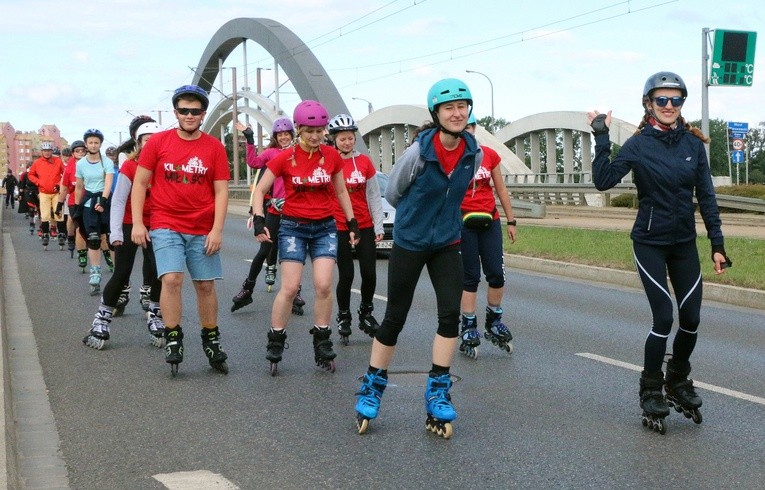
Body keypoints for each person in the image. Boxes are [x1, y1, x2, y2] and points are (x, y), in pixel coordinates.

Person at [588, 71, 731, 434]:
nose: (669, 106)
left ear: (681, 104)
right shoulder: (638, 144)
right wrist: (601, 136)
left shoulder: (693, 145)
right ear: (649, 104)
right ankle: (651, 388)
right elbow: (603, 180)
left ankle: (677, 379)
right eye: (662, 100)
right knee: (664, 318)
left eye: (676, 100)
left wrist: (717, 245)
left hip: (683, 243)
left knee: (693, 317)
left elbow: (708, 198)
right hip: (649, 242)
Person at [354, 78, 481, 439]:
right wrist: (417, 220)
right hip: (410, 241)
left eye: (462, 107)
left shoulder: (475, 152)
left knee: (450, 315)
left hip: (447, 241)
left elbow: (462, 193)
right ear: (436, 114)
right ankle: (372, 385)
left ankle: (438, 391)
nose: (457, 114)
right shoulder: (417, 154)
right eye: (449, 108)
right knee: (395, 315)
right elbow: (393, 192)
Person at [252, 100, 359, 375]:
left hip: (325, 227)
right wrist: (259, 220)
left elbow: (342, 192)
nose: (315, 136)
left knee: (323, 285)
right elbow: (259, 190)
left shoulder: (332, 156)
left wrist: (352, 222)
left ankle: (322, 340)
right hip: (293, 227)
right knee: (290, 288)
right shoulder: (284, 158)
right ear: (298, 129)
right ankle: (276, 338)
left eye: (319, 130)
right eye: (309, 130)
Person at [131, 84, 231, 376]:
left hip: (202, 226)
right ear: (176, 112)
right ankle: (173, 336)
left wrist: (217, 230)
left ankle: (211, 339)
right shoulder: (158, 143)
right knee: (172, 279)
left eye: (195, 111)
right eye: (184, 110)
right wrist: (138, 222)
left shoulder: (213, 147)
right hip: (166, 223)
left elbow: (222, 191)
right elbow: (140, 183)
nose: (189, 115)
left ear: (203, 114)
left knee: (205, 285)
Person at [82, 120, 166, 350]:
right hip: (130, 223)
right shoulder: (130, 166)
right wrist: (116, 232)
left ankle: (155, 314)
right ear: (139, 143)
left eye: (155, 141)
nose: (151, 145)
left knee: (159, 272)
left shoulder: (166, 166)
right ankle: (101, 320)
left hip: (157, 225)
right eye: (147, 141)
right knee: (122, 272)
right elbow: (118, 201)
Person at [230, 118, 305, 313]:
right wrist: (249, 138)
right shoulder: (271, 153)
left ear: (292, 135)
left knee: (292, 254)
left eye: (286, 134)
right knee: (264, 250)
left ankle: (295, 292)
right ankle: (247, 289)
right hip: (275, 210)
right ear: (275, 137)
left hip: (296, 210)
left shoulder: (300, 153)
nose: (283, 138)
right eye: (280, 135)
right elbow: (253, 162)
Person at [458, 114, 517, 359]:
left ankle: (493, 321)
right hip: (463, 222)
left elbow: (501, 189)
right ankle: (468, 327)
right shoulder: (452, 158)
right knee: (470, 277)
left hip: (489, 220)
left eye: (470, 127)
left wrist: (511, 220)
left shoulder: (489, 155)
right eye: (464, 128)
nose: (468, 131)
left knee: (496, 274)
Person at [327, 113, 384, 345]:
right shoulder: (329, 161)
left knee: (369, 273)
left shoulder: (364, 162)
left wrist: (378, 224)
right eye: (342, 139)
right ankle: (343, 315)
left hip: (364, 224)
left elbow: (373, 195)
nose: (347, 142)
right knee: (347, 274)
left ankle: (366, 312)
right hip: (338, 225)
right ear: (334, 140)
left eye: (350, 138)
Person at [74, 129, 114, 295]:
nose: (93, 145)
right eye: (90, 142)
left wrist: (103, 201)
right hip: (88, 202)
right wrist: (76, 206)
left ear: (100, 144)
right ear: (86, 144)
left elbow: (108, 183)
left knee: (111, 237)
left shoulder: (106, 162)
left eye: (96, 142)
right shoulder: (81, 163)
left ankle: (118, 272)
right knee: (93, 238)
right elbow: (79, 186)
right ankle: (95, 272)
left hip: (104, 200)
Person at [27, 141, 65, 249]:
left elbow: (65, 173)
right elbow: (31, 175)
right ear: (42, 152)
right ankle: (45, 234)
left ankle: (61, 234)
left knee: (58, 214)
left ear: (52, 151)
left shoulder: (57, 161)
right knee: (45, 215)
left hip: (56, 193)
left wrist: (59, 183)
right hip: (44, 192)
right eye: (45, 151)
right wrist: (38, 182)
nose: (47, 153)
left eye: (49, 151)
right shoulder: (37, 162)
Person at [58, 140, 88, 266]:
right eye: (77, 151)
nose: (80, 153)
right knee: (75, 223)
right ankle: (71, 238)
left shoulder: (93, 163)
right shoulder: (69, 167)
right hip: (73, 200)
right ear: (73, 153)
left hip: (90, 199)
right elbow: (64, 187)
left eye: (82, 150)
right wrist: (59, 203)